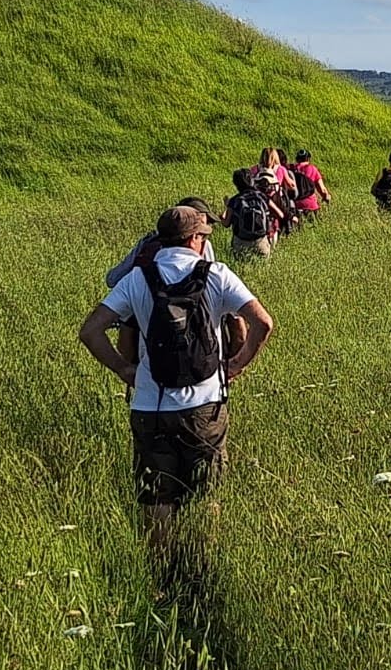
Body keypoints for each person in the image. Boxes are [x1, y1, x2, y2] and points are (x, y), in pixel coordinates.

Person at [77, 206, 274, 556]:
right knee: (206, 492)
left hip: (150, 406)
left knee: (156, 496)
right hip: (206, 406)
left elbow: (91, 331)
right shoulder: (217, 274)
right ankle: (200, 566)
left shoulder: (138, 278)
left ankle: (162, 572)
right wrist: (236, 365)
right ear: (195, 239)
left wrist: (125, 370)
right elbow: (263, 323)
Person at [105, 197, 221, 368]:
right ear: (193, 232)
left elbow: (112, 279)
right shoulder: (204, 246)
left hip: (145, 322)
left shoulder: (148, 242)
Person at [223, 168, 281, 259]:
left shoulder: (235, 200)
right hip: (261, 241)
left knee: (241, 268)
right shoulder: (262, 196)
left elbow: (226, 224)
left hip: (241, 243)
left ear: (236, 184)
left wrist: (224, 211)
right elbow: (280, 214)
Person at [290, 149, 331, 218]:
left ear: (297, 159)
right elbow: (322, 189)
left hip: (295, 206)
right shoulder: (312, 169)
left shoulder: (291, 169)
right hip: (310, 205)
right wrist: (327, 197)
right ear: (308, 158)